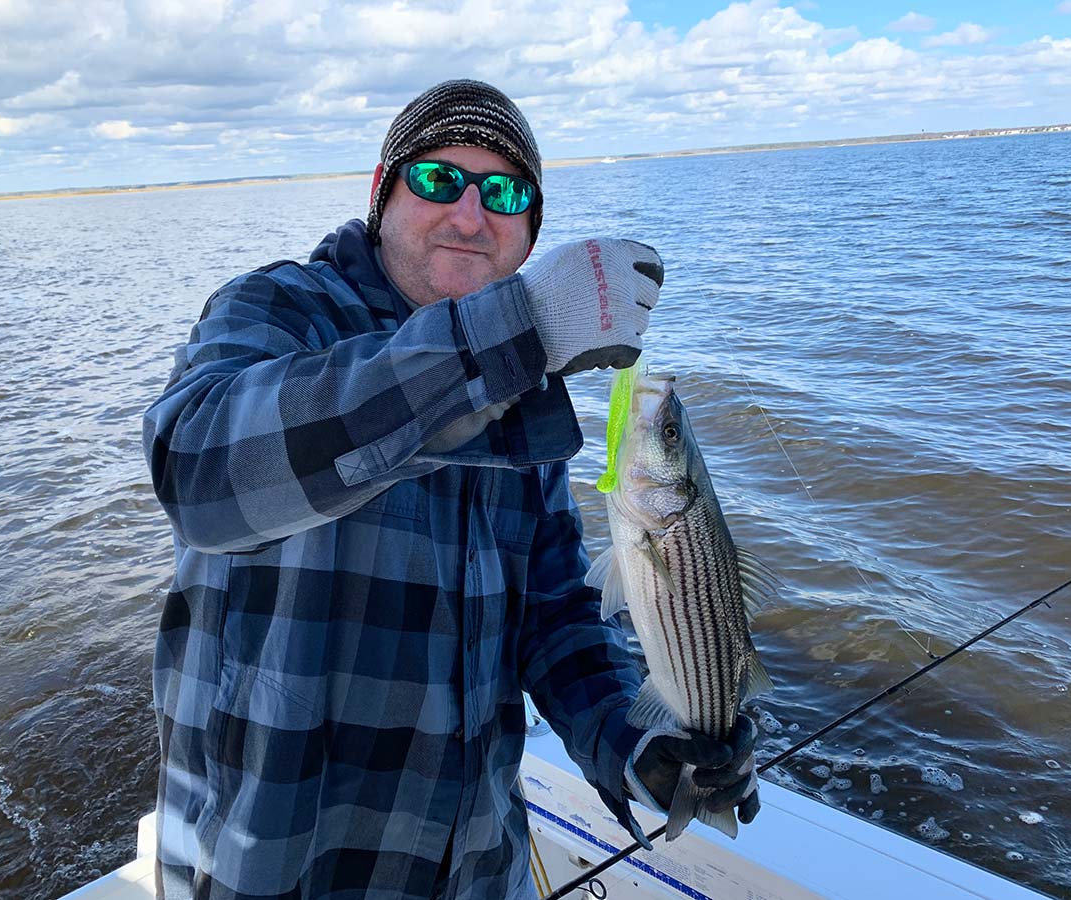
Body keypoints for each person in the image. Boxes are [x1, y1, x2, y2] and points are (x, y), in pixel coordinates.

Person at [142, 79, 759, 900]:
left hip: (472, 869)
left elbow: (555, 614)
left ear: (529, 238)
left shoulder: (523, 392)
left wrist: (635, 740)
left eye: (504, 193)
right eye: (438, 180)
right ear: (381, 194)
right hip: (278, 863)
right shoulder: (280, 311)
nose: (471, 215)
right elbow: (201, 471)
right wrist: (510, 334)